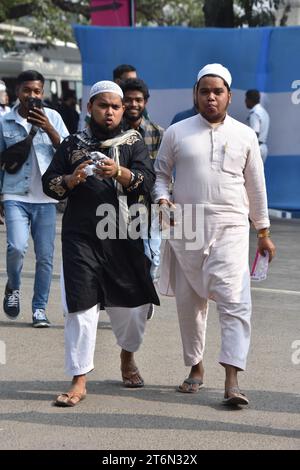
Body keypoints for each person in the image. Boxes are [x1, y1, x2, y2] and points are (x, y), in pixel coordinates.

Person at [154, 63, 276, 406]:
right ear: (195, 94)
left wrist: (263, 232)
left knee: (236, 301)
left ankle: (232, 378)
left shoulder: (245, 134)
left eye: (217, 92)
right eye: (204, 91)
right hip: (187, 226)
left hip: (232, 227)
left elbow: (257, 187)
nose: (211, 97)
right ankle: (195, 367)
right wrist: (163, 198)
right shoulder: (176, 132)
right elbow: (161, 175)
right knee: (190, 304)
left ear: (229, 97)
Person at [42, 80, 159, 407]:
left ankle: (127, 355)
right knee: (80, 306)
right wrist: (70, 179)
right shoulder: (72, 144)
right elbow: (50, 183)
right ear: (90, 108)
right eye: (102, 105)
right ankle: (79, 379)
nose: (109, 112)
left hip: (124, 236)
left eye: (115, 106)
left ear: (123, 110)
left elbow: (146, 181)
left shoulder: (133, 142)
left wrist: (119, 172)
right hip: (81, 238)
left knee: (135, 309)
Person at [0, 70, 69, 327]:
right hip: (14, 194)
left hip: (47, 198)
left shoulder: (53, 117)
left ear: (43, 92)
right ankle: (14, 287)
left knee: (45, 257)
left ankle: (39, 308)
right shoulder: (5, 121)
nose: (32, 96)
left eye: (37, 91)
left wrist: (48, 128)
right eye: (27, 90)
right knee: (17, 247)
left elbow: (67, 150)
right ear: (18, 91)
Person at [121, 78, 164, 320]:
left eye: (138, 100)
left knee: (153, 255)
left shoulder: (158, 133)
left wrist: (163, 201)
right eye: (128, 100)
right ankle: (134, 299)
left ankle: (148, 293)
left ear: (145, 102)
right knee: (129, 255)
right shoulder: (115, 133)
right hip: (120, 205)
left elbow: (163, 172)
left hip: (152, 204)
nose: (133, 104)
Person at [245, 89, 270, 163]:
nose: (245, 101)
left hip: (256, 148)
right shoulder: (263, 112)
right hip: (263, 147)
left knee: (249, 174)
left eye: (246, 98)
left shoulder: (255, 114)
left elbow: (255, 133)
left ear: (250, 99)